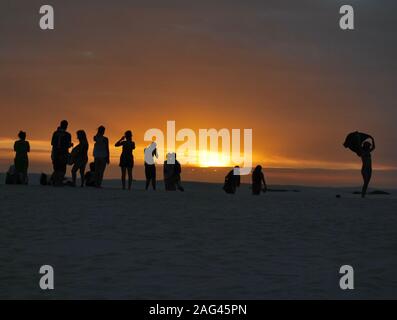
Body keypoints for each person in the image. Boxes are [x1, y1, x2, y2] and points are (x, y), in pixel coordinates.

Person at [51, 120, 72, 186]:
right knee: (62, 168)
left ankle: (55, 181)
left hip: (55, 153)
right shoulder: (67, 135)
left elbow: (52, 143)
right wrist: (70, 145)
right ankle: (59, 182)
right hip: (63, 153)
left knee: (56, 168)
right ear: (66, 126)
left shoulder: (55, 133)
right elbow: (68, 145)